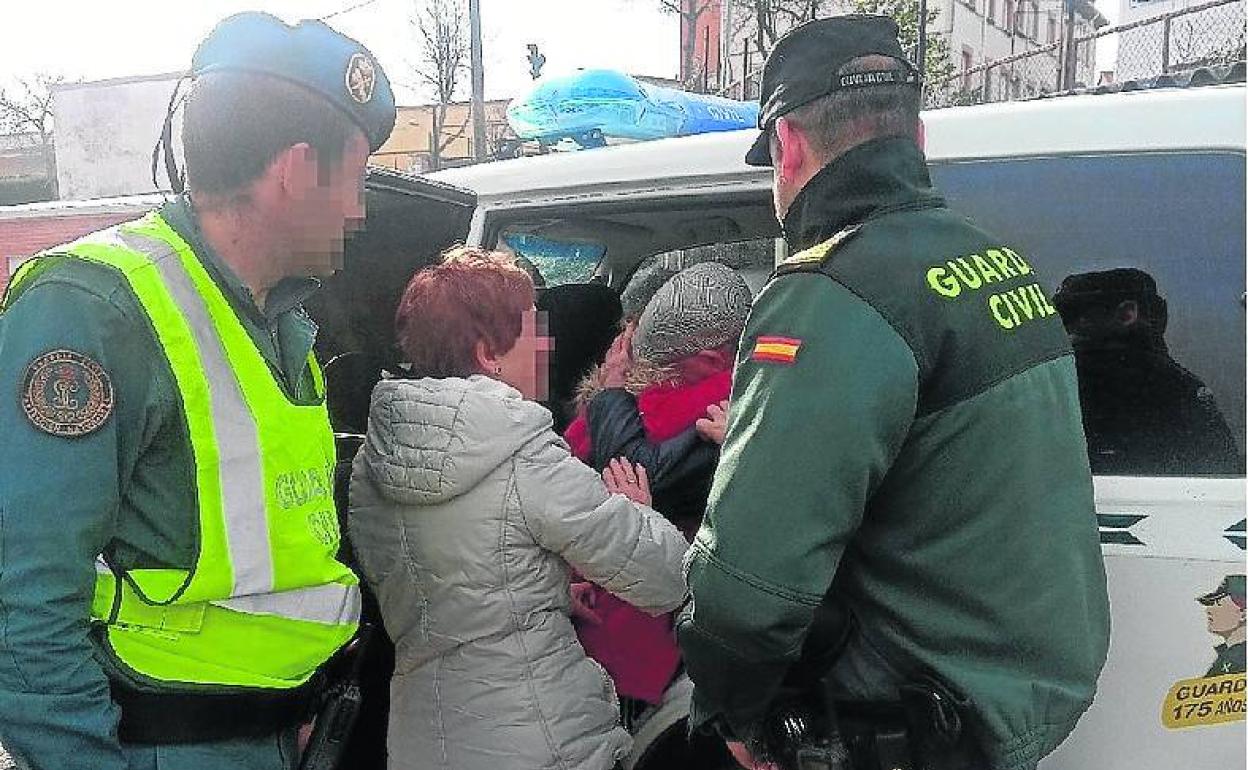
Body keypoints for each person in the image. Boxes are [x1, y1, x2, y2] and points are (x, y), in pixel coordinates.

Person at [675, 16, 1110, 770]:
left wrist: (734, 714)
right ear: (918, 139)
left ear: (787, 145)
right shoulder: (995, 260)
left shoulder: (831, 290)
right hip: (999, 708)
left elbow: (747, 590)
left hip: (908, 717)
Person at [0, 12, 395, 770]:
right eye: (354, 180)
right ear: (296, 171)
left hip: (287, 736)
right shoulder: (95, 307)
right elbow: (24, 612)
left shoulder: (277, 319)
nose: (360, 211)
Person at [347, 247, 689, 770]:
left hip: (419, 741)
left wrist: (541, 588)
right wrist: (638, 508)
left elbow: (450, 584)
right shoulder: (525, 456)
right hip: (543, 742)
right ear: (490, 355)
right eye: (533, 328)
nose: (547, 343)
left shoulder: (374, 462)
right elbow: (667, 578)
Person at [564, 262, 748, 709]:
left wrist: (610, 390)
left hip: (642, 633)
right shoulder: (737, 392)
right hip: (653, 621)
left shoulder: (719, 402)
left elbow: (638, 469)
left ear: (710, 359)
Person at [1052, 268, 1243, 476]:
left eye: (1078, 318)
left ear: (1127, 314)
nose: (1064, 331)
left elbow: (1222, 480)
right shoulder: (1183, 389)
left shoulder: (1055, 386)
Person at [1197, 575, 1246, 677]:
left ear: (1244, 614)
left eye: (1219, 604)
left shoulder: (1239, 656)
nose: (1208, 610)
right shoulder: (1227, 655)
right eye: (1211, 603)